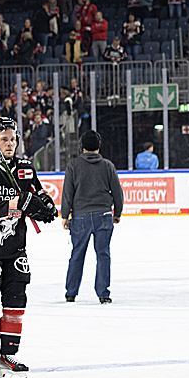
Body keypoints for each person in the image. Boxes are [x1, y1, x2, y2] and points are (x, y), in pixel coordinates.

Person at [0, 117, 57, 378]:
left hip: (16, 248)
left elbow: (38, 196)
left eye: (12, 139)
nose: (10, 143)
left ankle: (8, 357)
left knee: (16, 303)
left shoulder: (26, 168)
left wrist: (45, 206)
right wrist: (13, 203)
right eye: (3, 139)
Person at [61, 130, 123, 304]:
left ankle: (71, 292)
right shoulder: (108, 165)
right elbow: (117, 192)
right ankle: (103, 293)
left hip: (80, 216)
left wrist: (65, 215)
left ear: (82, 146)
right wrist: (117, 213)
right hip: (104, 214)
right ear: (98, 146)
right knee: (103, 254)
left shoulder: (73, 165)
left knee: (77, 254)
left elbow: (68, 193)